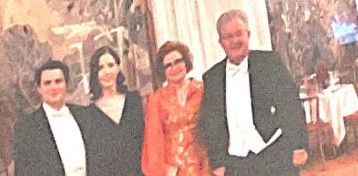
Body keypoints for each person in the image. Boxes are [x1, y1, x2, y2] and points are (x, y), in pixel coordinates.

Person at [200, 12, 304, 176]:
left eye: (239, 34)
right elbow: (213, 123)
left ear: (248, 35)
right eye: (228, 37)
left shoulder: (269, 62)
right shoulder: (212, 78)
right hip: (236, 163)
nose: (235, 41)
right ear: (220, 42)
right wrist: (218, 161)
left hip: (274, 151)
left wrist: (298, 145)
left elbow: (290, 104)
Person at [15, 59, 115, 176]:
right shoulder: (27, 127)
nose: (53, 87)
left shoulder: (87, 116)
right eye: (47, 83)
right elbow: (24, 171)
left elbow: (103, 157)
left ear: (66, 85)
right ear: (39, 89)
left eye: (58, 81)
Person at [143, 42, 213, 176]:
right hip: (175, 170)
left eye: (178, 61)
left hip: (205, 166)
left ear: (186, 62)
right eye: (168, 65)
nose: (174, 68)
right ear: (163, 71)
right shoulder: (157, 99)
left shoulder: (203, 90)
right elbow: (153, 141)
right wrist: (165, 170)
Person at [90, 47, 146, 176]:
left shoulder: (136, 101)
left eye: (111, 65)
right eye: (100, 68)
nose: (107, 71)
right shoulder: (89, 114)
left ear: (118, 68)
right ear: (95, 73)